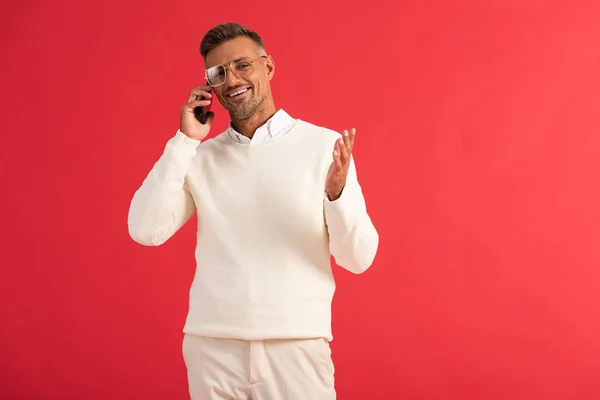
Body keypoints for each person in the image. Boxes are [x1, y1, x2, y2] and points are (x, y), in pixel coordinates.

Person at [127, 21, 379, 400]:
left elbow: (358, 258)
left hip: (295, 344)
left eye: (243, 65)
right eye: (219, 73)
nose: (232, 80)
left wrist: (336, 195)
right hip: (213, 346)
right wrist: (183, 142)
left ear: (269, 67)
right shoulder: (199, 156)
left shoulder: (324, 146)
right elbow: (146, 230)